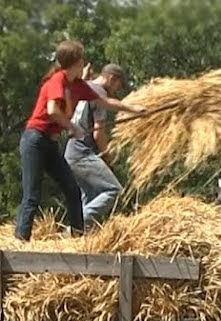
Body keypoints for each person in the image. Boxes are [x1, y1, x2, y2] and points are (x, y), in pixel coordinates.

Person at [15, 41, 147, 240]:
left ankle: (76, 238)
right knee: (32, 195)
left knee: (73, 190)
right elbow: (52, 111)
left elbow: (105, 102)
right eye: (81, 59)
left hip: (50, 144)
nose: (84, 63)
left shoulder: (77, 85)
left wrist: (135, 110)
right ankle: (20, 241)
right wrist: (72, 127)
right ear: (74, 63)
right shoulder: (57, 81)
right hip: (34, 140)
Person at [64, 63, 131, 228]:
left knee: (90, 195)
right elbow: (98, 133)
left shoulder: (86, 87)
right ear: (111, 78)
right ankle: (76, 227)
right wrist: (107, 156)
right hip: (82, 152)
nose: (116, 90)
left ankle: (78, 237)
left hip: (71, 151)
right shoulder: (100, 94)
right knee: (113, 190)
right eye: (118, 85)